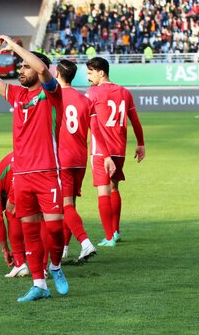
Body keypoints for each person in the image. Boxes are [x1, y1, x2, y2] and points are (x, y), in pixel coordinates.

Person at [0, 35, 67, 302]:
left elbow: (42, 69)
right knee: (29, 230)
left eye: (25, 66)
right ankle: (39, 284)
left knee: (54, 230)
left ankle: (55, 265)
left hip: (47, 172)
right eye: (20, 67)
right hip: (22, 175)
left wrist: (15, 46)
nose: (21, 70)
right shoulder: (17, 94)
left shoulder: (51, 93)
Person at [56, 59, 115, 262]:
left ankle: (85, 243)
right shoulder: (84, 99)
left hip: (61, 159)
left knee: (65, 207)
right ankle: (63, 249)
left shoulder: (52, 98)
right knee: (70, 205)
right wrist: (107, 155)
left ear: (57, 74)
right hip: (79, 160)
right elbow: (97, 131)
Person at [85, 57, 145, 246]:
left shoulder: (92, 93)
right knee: (114, 188)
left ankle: (109, 237)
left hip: (101, 150)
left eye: (90, 73)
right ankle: (116, 231)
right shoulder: (124, 92)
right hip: (119, 149)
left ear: (101, 72)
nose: (88, 77)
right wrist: (141, 143)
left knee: (103, 192)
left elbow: (90, 124)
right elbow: (134, 120)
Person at [0, 152, 28, 278]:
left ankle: (20, 263)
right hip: (37, 162)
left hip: (21, 169)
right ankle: (45, 266)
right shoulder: (2, 179)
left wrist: (4, 249)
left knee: (11, 211)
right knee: (37, 215)